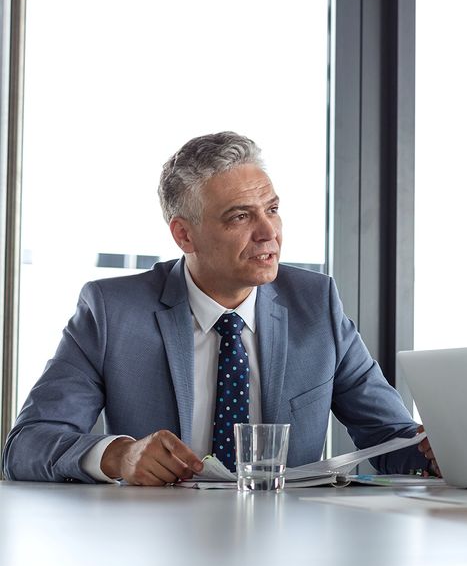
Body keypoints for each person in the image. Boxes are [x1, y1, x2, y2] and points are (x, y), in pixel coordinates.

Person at [3, 132, 436, 484]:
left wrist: (439, 453)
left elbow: (391, 441)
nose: (269, 233)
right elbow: (27, 445)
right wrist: (118, 455)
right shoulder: (112, 311)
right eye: (239, 217)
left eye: (272, 209)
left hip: (290, 547)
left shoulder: (316, 304)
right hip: (154, 548)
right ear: (184, 235)